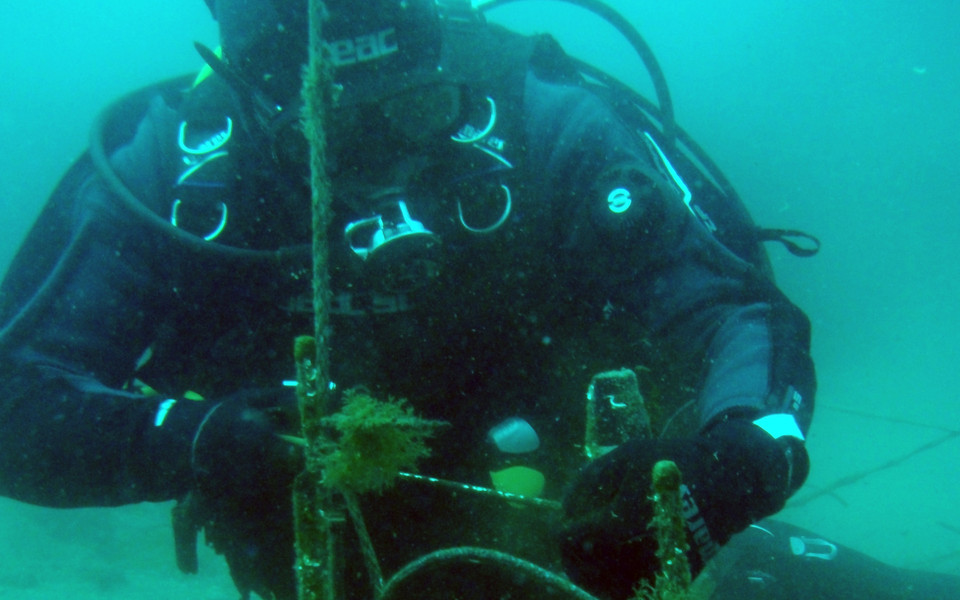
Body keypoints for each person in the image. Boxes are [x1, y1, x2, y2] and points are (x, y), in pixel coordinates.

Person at [0, 1, 823, 599]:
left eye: (416, 111)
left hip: (598, 538)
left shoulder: (543, 119)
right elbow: (14, 401)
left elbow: (734, 312)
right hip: (320, 567)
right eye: (328, 141)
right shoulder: (172, 175)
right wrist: (191, 437)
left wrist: (744, 452)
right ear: (260, 108)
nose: (381, 176)